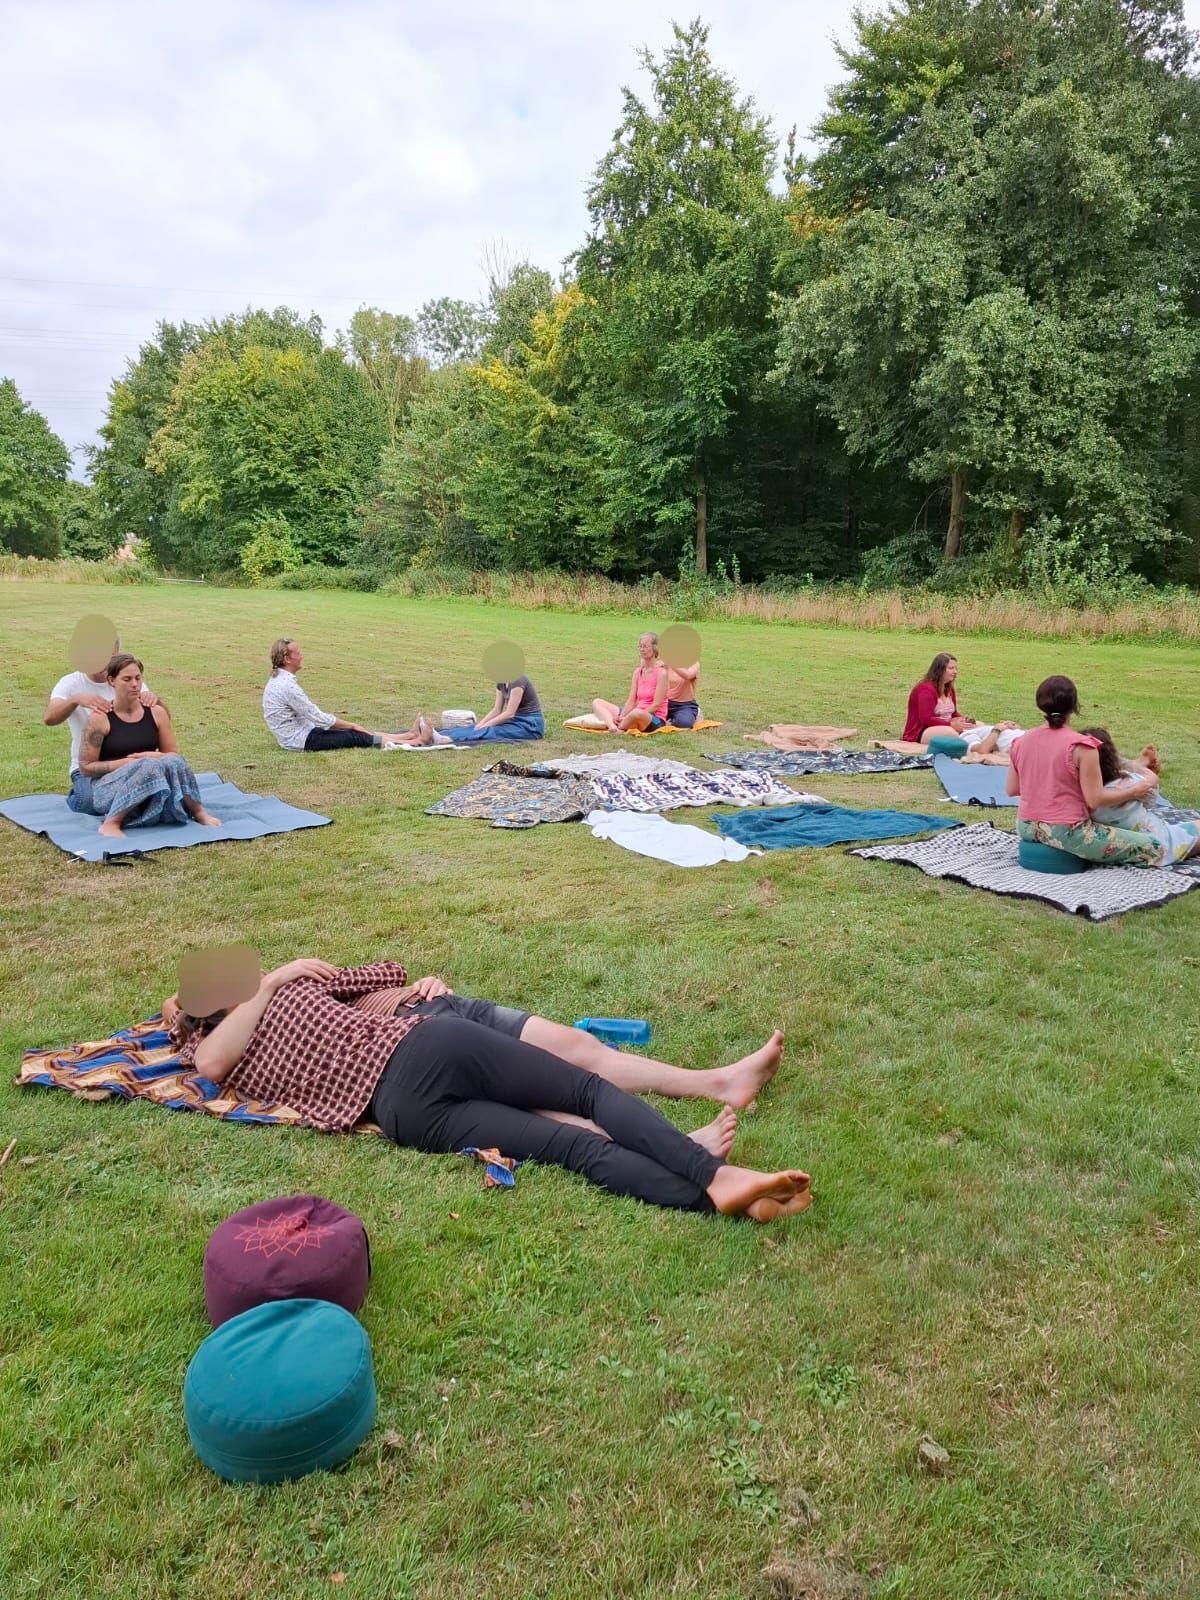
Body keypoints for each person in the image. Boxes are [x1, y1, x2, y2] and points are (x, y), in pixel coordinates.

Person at [170, 959, 810, 1222]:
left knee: (572, 1145)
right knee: (586, 1095)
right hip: (424, 1049)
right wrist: (270, 980)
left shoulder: (275, 1009)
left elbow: (382, 973)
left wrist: (415, 984)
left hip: (401, 1112)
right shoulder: (236, 1027)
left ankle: (723, 1200)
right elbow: (206, 1056)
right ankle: (713, 1174)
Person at [1005, 676, 1162, 866]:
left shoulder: (1020, 742)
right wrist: (1133, 792)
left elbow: (1012, 789)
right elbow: (1095, 799)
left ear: (1040, 705)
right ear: (1074, 706)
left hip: (1025, 826)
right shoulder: (1082, 746)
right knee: (1154, 847)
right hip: (1067, 831)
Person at [78, 654, 220, 839]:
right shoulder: (99, 719)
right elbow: (86, 767)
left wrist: (153, 756)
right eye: (127, 679)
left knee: (174, 761)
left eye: (138, 678)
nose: (135, 684)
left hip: (150, 778)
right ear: (112, 681)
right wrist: (129, 763)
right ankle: (111, 823)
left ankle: (198, 812)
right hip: (108, 787)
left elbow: (171, 754)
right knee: (147, 765)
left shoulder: (156, 713)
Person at [44, 636, 162, 813]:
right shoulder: (71, 683)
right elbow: (49, 718)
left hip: (132, 763)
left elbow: (157, 717)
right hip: (89, 768)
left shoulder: (128, 680)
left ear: (117, 654)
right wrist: (75, 700)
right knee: (89, 803)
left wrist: (154, 700)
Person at [1082, 727, 1200, 864]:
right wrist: (1144, 770)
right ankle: (1138, 763)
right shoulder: (1126, 784)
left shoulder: (1082, 794)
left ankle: (1138, 763)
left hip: (1120, 845)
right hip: (1157, 842)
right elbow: (1151, 791)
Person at [263, 639, 406, 751]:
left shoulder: (279, 680)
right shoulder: (286, 685)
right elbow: (318, 717)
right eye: (298, 653)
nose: (302, 656)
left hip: (303, 732)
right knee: (353, 736)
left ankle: (405, 736)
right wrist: (352, 725)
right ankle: (408, 742)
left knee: (350, 731)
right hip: (301, 740)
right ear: (287, 659)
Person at [402, 674, 545, 746]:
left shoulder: (517, 679)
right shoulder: (501, 681)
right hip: (514, 721)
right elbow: (496, 710)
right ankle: (435, 734)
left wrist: (485, 726)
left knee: (491, 731)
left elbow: (509, 713)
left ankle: (445, 739)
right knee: (474, 728)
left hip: (529, 725)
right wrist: (480, 724)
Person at [592, 634, 670, 734]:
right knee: (597, 702)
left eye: (646, 646)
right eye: (640, 646)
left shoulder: (661, 673)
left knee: (637, 713)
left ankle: (620, 727)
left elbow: (656, 705)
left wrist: (629, 716)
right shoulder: (637, 672)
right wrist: (622, 715)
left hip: (654, 718)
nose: (642, 649)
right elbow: (631, 700)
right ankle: (612, 726)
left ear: (655, 649)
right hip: (634, 712)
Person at [665, 658, 702, 728]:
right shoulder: (664, 663)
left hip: (685, 705)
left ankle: (696, 713)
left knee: (684, 723)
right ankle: (669, 720)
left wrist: (671, 663)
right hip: (665, 703)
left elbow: (688, 675)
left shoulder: (693, 663)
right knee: (649, 719)